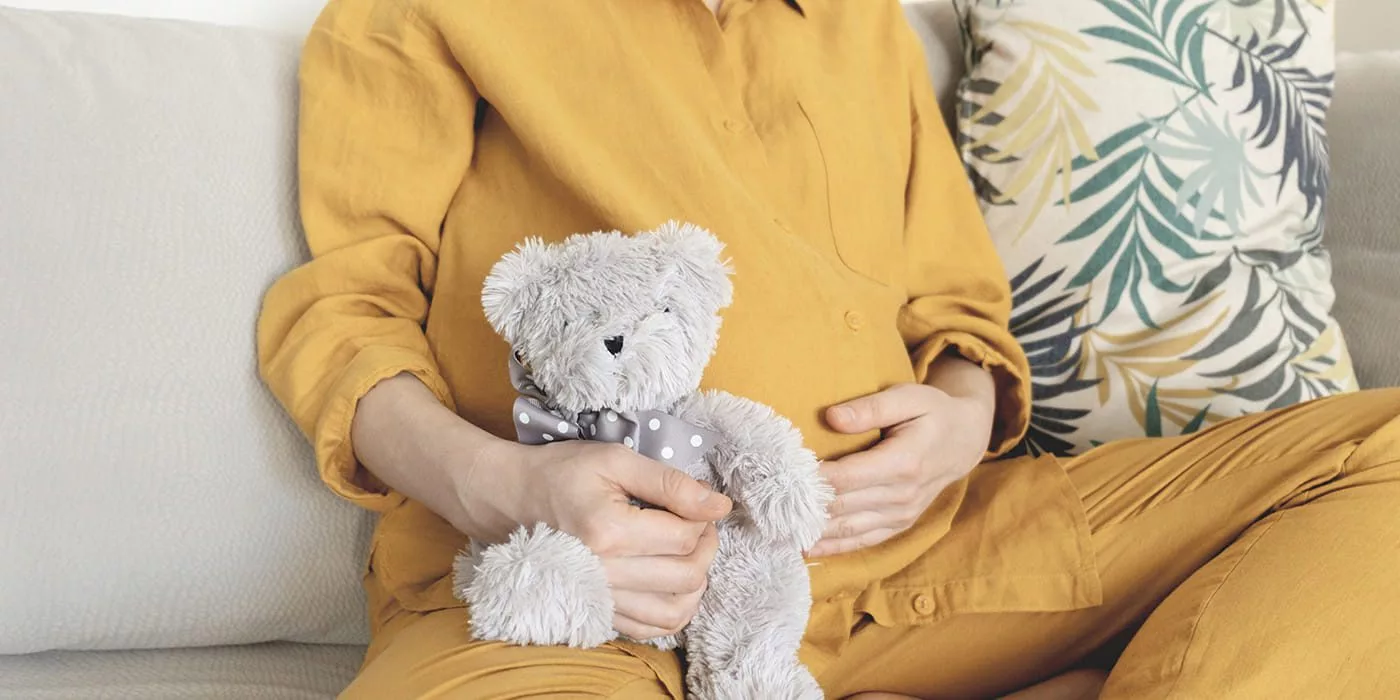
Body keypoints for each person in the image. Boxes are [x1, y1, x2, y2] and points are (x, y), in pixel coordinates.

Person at [256, 0, 1400, 697]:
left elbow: (959, 311)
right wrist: (506, 487)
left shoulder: (861, 23)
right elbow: (343, 316)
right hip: (594, 601)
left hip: (923, 568)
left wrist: (957, 420)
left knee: (1384, 455)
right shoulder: (422, 14)